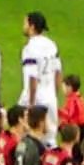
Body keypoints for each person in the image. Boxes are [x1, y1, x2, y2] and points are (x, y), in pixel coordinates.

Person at [20, 12, 62, 141]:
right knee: (50, 138)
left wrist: (31, 104)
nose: (23, 26)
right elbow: (58, 73)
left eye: (25, 23)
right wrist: (54, 95)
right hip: (50, 97)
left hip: (36, 98)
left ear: (32, 26)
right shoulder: (52, 45)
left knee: (30, 139)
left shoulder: (29, 48)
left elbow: (32, 77)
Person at [60, 74, 84, 147]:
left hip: (77, 131)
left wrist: (58, 112)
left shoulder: (72, 100)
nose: (62, 89)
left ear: (69, 87)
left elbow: (70, 114)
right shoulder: (78, 96)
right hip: (83, 129)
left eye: (63, 87)